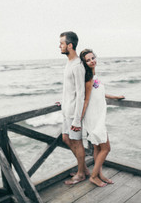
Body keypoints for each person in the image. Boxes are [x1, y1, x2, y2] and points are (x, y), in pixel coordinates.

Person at [79, 49, 125, 187]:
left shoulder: (94, 75)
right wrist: (78, 120)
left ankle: (99, 174)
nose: (92, 60)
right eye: (88, 60)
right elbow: (85, 100)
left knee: (98, 148)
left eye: (93, 58)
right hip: (93, 118)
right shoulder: (88, 78)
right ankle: (93, 176)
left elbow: (99, 94)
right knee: (106, 148)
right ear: (84, 63)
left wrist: (115, 97)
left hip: (99, 115)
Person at [59, 31, 89, 185]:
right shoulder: (69, 63)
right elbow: (69, 88)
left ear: (70, 45)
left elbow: (81, 94)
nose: (59, 46)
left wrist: (77, 120)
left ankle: (81, 174)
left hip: (73, 114)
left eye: (62, 43)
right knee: (66, 139)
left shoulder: (78, 65)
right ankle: (83, 168)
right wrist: (63, 100)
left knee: (77, 143)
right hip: (66, 109)